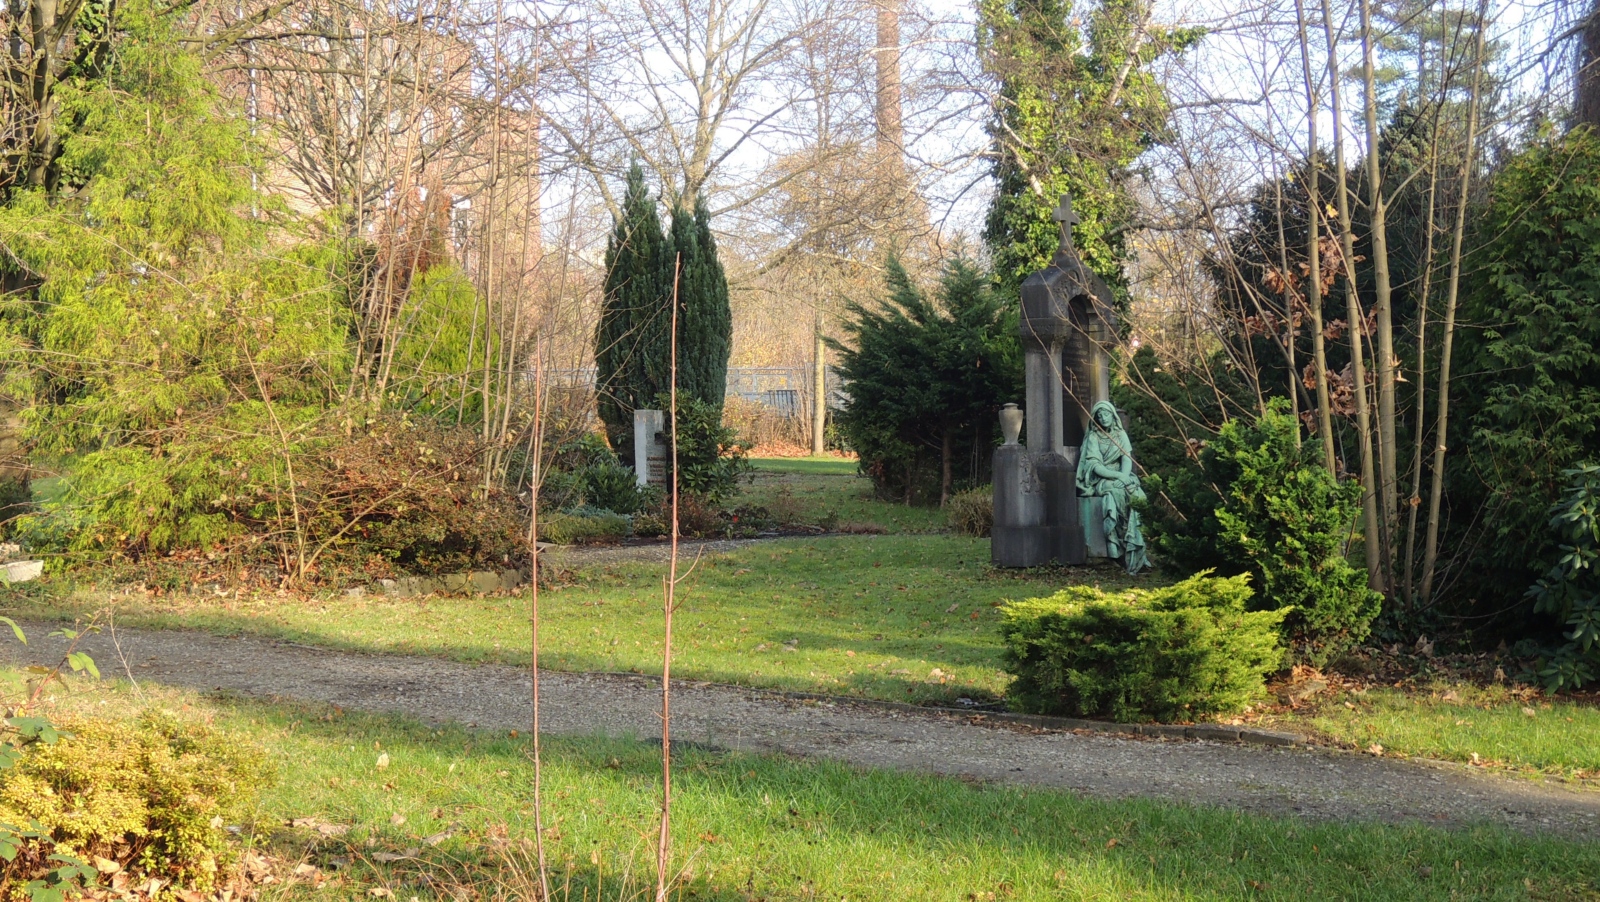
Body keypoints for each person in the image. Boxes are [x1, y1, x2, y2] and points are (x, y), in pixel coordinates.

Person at [1074, 401, 1150, 574]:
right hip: (1102, 479)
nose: (1103, 418)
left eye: (1106, 414)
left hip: (1122, 476)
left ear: (1112, 416)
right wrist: (1118, 477)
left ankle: (1136, 548)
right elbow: (1095, 466)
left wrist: (1124, 477)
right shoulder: (1093, 437)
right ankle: (1120, 547)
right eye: (1100, 416)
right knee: (1115, 492)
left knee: (1138, 495)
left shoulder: (1120, 434)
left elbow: (1126, 459)